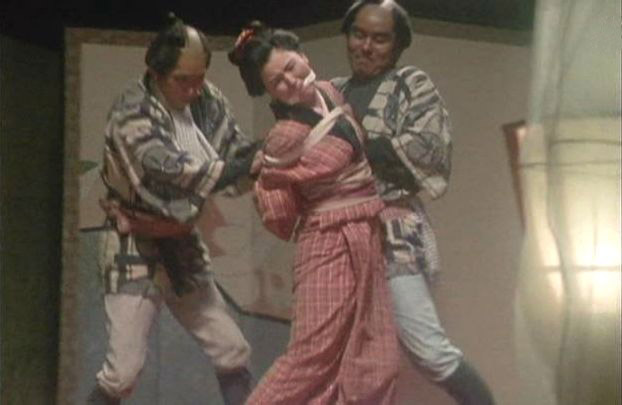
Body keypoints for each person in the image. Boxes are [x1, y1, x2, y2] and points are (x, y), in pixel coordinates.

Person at [87, 15, 259, 405]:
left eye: (200, 78)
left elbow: (234, 148)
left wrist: (265, 155)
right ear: (156, 72)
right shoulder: (131, 110)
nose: (194, 89)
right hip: (133, 242)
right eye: (183, 80)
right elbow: (167, 168)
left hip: (180, 240)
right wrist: (239, 168)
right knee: (122, 372)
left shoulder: (207, 100)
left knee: (232, 349)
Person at [331, 1, 496, 404]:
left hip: (391, 230)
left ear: (398, 45)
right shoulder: (331, 92)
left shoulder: (411, 85)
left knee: (429, 350)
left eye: (379, 38)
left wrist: (351, 144)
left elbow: (426, 148)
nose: (365, 46)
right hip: (337, 235)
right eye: (358, 34)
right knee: (339, 353)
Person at [228, 22, 399, 404]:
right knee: (312, 356)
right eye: (277, 82)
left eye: (291, 67)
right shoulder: (284, 135)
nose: (291, 81)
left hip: (366, 233)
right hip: (327, 241)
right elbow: (279, 213)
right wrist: (270, 180)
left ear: (303, 56)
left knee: (375, 356)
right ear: (269, 92)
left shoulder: (330, 92)